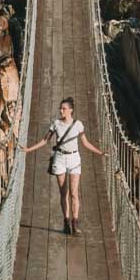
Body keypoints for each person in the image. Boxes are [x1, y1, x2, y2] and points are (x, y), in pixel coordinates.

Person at [21, 97, 105, 235]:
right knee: (63, 193)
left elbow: (85, 143)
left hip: (74, 159)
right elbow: (45, 140)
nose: (61, 110)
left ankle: (75, 223)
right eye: (60, 108)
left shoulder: (78, 125)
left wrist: (100, 152)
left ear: (70, 110)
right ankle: (66, 221)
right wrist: (29, 149)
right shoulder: (56, 124)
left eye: (63, 108)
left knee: (74, 193)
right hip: (59, 158)